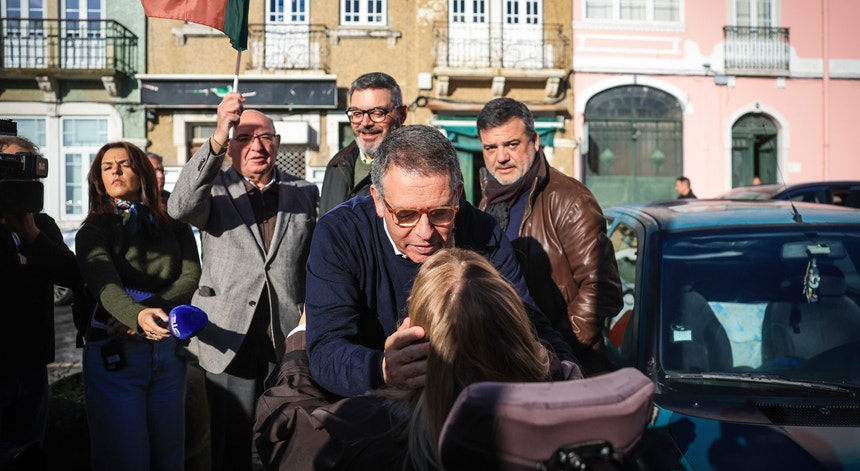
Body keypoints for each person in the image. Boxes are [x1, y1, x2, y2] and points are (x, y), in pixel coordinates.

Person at [304, 124, 575, 399]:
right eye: (406, 215)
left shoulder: (484, 232)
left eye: (441, 213)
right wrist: (381, 368)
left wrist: (568, 373)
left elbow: (527, 322)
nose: (425, 232)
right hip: (371, 406)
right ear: (378, 201)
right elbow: (326, 349)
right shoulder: (339, 234)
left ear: (457, 194)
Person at [255, 248, 581, 470]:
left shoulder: (372, 429)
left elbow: (284, 430)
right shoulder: (565, 404)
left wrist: (300, 342)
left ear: (412, 327)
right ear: (514, 324)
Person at [168, 91, 319, 471]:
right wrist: (219, 134)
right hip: (227, 338)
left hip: (284, 339)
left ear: (278, 143)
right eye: (244, 137)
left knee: (288, 440)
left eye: (265, 137)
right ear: (231, 147)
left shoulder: (304, 192)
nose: (257, 146)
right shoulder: (213, 191)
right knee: (228, 446)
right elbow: (179, 206)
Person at [75, 141, 201, 471]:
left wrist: (144, 313)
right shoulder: (93, 230)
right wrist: (136, 315)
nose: (115, 171)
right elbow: (104, 283)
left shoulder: (174, 223)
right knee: (125, 459)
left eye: (125, 164)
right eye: (106, 167)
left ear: (143, 172)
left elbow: (191, 276)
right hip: (115, 355)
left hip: (168, 354)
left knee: (169, 458)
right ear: (98, 179)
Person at [476, 97, 622, 375]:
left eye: (511, 144)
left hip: (562, 370)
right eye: (490, 148)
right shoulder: (489, 201)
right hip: (504, 364)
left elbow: (602, 289)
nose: (501, 157)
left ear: (534, 141)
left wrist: (554, 354)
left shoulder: (570, 199)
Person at [0, 135, 81, 469]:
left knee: (31, 456)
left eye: (30, 168)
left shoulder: (42, 224)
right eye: (13, 167)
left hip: (32, 366)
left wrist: (32, 236)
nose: (26, 177)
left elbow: (71, 275)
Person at [319, 72, 407, 214]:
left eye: (377, 113)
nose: (365, 123)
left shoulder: (418, 168)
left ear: (401, 115)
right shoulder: (337, 165)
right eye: (357, 114)